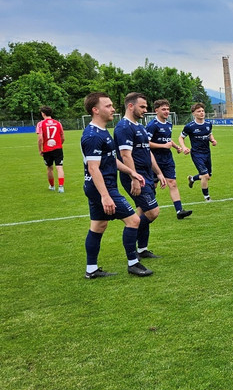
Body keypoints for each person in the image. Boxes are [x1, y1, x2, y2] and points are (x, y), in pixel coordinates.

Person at [79, 91, 152, 279]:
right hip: (102, 187)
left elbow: (111, 161)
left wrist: (131, 172)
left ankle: (91, 269)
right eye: (108, 106)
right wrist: (105, 195)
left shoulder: (102, 132)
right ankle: (133, 263)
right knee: (134, 220)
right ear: (95, 110)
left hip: (101, 186)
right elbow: (94, 168)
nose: (113, 109)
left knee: (98, 226)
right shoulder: (93, 135)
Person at [115, 92, 167, 261]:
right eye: (142, 107)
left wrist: (158, 172)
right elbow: (125, 155)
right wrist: (134, 178)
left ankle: (142, 249)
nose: (145, 110)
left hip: (147, 175)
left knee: (143, 211)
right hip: (135, 177)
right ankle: (131, 244)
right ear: (131, 106)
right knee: (152, 212)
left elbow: (147, 151)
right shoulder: (124, 127)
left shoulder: (139, 126)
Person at [146, 99, 192, 219]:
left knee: (172, 183)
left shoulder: (168, 124)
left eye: (168, 109)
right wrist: (163, 146)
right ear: (156, 110)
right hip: (154, 160)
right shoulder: (152, 125)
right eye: (163, 109)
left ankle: (179, 211)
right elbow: (145, 143)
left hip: (167, 159)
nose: (167, 112)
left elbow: (167, 139)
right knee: (153, 185)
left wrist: (175, 146)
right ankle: (149, 208)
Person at [179, 103, 217, 202]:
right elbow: (181, 137)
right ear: (194, 114)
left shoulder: (208, 124)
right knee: (205, 175)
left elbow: (209, 134)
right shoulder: (190, 126)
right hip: (196, 154)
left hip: (207, 153)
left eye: (202, 111)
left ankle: (192, 179)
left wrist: (212, 140)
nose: (201, 113)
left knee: (208, 176)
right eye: (199, 111)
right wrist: (184, 147)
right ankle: (207, 198)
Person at [36, 106, 64, 191]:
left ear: (43, 114)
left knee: (49, 168)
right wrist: (59, 144)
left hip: (47, 149)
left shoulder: (41, 124)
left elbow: (40, 138)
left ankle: (52, 186)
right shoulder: (58, 123)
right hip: (58, 148)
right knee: (59, 167)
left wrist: (40, 150)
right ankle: (61, 187)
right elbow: (62, 137)